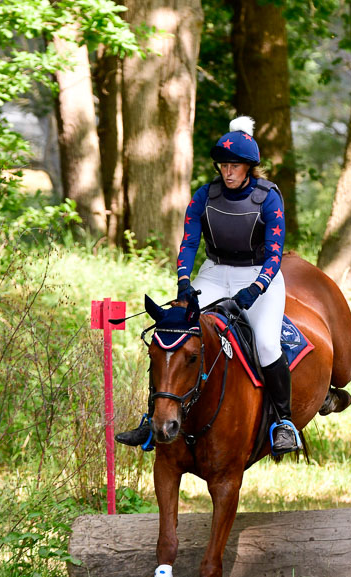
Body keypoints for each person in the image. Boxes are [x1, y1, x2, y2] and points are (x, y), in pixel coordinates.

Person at [116, 115, 299, 454]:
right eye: (224, 166)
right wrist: (184, 281)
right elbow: (188, 243)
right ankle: (149, 419)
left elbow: (275, 254)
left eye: (235, 166)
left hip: (261, 275)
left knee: (267, 344)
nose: (228, 172)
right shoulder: (205, 195)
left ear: (248, 168)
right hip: (215, 272)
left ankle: (283, 423)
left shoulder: (269, 197)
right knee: (171, 331)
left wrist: (255, 289)